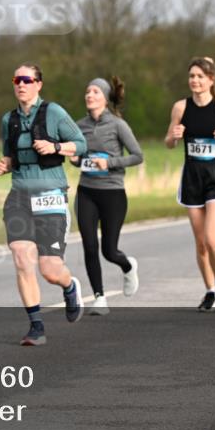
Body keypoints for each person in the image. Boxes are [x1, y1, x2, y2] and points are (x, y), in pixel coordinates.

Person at [0, 63, 87, 346]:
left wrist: (56, 147)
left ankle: (69, 286)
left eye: (26, 80)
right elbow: (11, 157)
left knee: (49, 269)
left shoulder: (54, 112)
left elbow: (80, 144)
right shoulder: (9, 119)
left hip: (51, 195)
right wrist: (3, 166)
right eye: (16, 80)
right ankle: (36, 326)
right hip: (19, 195)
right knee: (21, 256)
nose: (21, 84)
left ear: (38, 84)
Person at [164, 57, 215, 312]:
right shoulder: (180, 107)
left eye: (200, 77)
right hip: (192, 177)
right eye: (192, 76)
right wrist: (174, 137)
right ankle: (209, 291)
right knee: (201, 243)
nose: (195, 80)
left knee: (212, 238)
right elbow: (169, 143)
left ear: (211, 80)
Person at [70, 76, 143, 315]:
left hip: (112, 192)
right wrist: (76, 160)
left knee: (109, 251)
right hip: (86, 192)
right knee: (89, 246)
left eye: (95, 92)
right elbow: (80, 158)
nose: (89, 95)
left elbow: (137, 155)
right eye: (87, 91)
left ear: (104, 97)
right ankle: (99, 298)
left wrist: (109, 162)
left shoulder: (117, 125)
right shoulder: (79, 126)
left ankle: (127, 265)